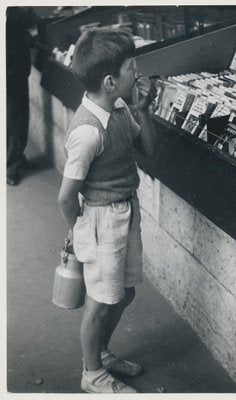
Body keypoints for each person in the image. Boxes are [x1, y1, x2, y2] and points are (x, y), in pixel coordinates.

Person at [58, 29, 157, 394]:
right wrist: (79, 233)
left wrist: (142, 110)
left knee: (124, 293)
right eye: (134, 67)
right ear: (111, 80)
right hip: (99, 221)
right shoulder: (86, 132)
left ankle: (100, 353)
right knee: (99, 303)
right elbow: (66, 197)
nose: (139, 72)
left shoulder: (117, 107)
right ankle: (92, 374)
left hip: (125, 212)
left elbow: (147, 148)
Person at [6, 7, 38, 185]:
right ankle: (12, 167)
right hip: (12, 69)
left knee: (10, 117)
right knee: (16, 117)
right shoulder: (14, 11)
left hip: (10, 67)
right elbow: (30, 19)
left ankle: (14, 157)